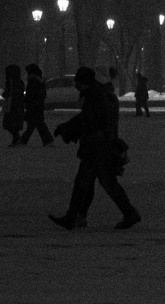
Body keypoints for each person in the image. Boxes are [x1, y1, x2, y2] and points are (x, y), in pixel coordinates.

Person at [49, 65, 140, 230]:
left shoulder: (96, 97)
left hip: (96, 148)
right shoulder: (101, 95)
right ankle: (77, 216)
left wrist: (68, 130)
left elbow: (90, 121)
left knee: (88, 183)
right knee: (97, 183)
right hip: (100, 146)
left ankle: (74, 217)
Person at [18, 63, 50, 145]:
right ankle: (47, 140)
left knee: (34, 124)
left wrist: (25, 100)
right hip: (38, 105)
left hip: (33, 106)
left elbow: (30, 95)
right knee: (36, 124)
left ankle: (23, 140)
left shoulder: (32, 82)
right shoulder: (40, 81)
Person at [0, 64, 24, 147]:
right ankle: (16, 138)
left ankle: (16, 138)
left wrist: (4, 95)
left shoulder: (10, 82)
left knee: (7, 123)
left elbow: (8, 93)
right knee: (14, 124)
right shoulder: (20, 81)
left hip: (11, 105)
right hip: (18, 105)